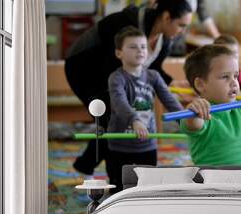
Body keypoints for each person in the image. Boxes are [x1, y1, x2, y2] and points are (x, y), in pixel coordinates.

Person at [65, 0, 192, 176]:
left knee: (113, 118)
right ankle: (108, 172)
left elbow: (151, 70)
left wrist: (171, 84)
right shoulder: (127, 26)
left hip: (114, 72)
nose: (182, 32)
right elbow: (113, 70)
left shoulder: (165, 41)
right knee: (111, 117)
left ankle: (85, 164)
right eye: (181, 25)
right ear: (166, 17)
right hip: (84, 67)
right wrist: (132, 116)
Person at [106, 26, 183, 193]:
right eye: (133, 47)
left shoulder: (153, 76)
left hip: (147, 145)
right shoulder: (117, 78)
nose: (140, 50)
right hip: (120, 145)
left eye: (143, 46)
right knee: (118, 188)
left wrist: (185, 119)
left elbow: (169, 100)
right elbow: (119, 102)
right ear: (119, 53)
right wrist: (135, 120)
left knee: (147, 187)